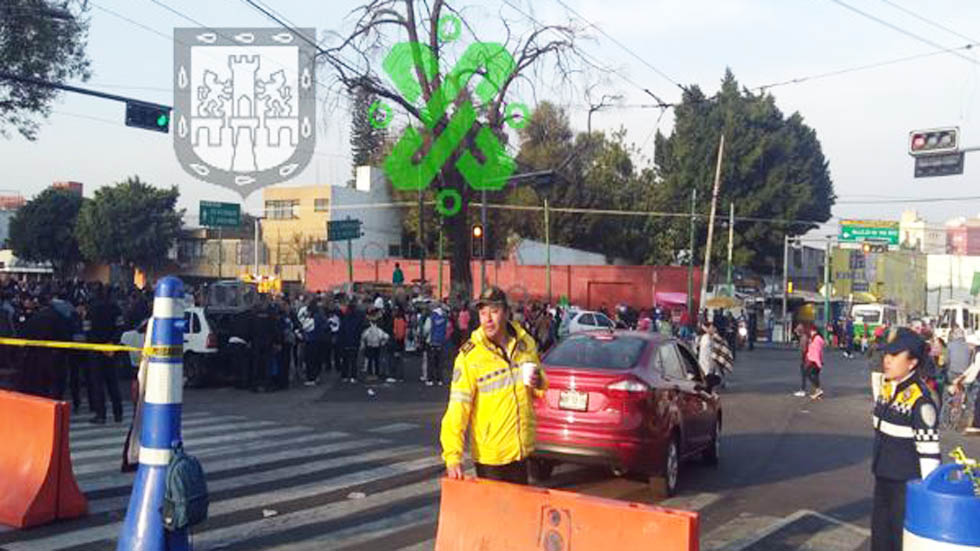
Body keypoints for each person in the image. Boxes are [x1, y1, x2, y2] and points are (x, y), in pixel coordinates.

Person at [440, 286, 546, 484]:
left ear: (506, 313)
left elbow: (539, 383)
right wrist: (453, 456)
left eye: (494, 312)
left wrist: (539, 381)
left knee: (519, 504)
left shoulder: (525, 343)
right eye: (483, 313)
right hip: (491, 457)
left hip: (521, 450)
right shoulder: (470, 357)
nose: (487, 319)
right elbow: (457, 409)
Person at [871, 328, 941, 551]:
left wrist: (928, 499)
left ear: (912, 363)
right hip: (883, 478)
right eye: (887, 354)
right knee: (880, 540)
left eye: (894, 355)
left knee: (898, 542)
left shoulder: (920, 401)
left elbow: (929, 455)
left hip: (906, 488)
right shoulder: (887, 388)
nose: (887, 360)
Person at [423, 305, 449, 386]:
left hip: (431, 341)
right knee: (439, 362)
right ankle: (439, 379)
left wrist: (424, 336)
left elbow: (426, 329)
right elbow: (447, 328)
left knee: (431, 362)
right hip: (441, 342)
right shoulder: (444, 318)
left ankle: (430, 379)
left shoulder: (431, 317)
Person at [804, 325, 825, 400]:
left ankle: (818, 390)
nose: (811, 332)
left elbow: (817, 351)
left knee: (809, 373)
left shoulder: (816, 339)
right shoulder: (814, 338)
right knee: (815, 375)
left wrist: (818, 362)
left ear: (815, 331)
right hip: (814, 359)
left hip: (814, 360)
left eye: (811, 331)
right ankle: (818, 392)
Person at [793, 323, 812, 397]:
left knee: (805, 375)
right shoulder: (804, 337)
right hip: (807, 359)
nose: (796, 333)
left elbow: (804, 350)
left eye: (797, 331)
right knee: (807, 375)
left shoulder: (803, 338)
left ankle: (803, 390)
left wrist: (803, 360)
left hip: (805, 359)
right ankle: (815, 388)